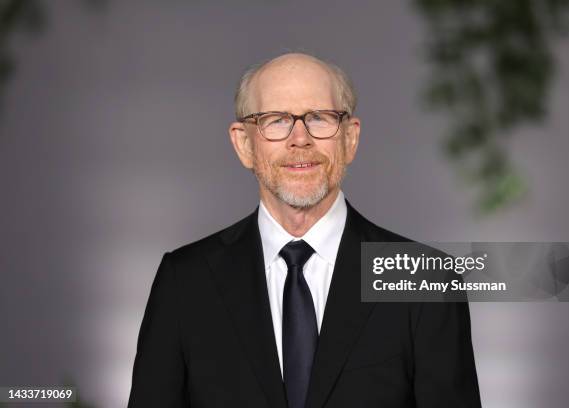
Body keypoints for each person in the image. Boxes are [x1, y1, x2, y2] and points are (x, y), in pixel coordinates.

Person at [128, 53, 481, 408]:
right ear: (244, 144)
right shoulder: (185, 282)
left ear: (350, 139)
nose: (300, 139)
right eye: (276, 120)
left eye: (319, 117)